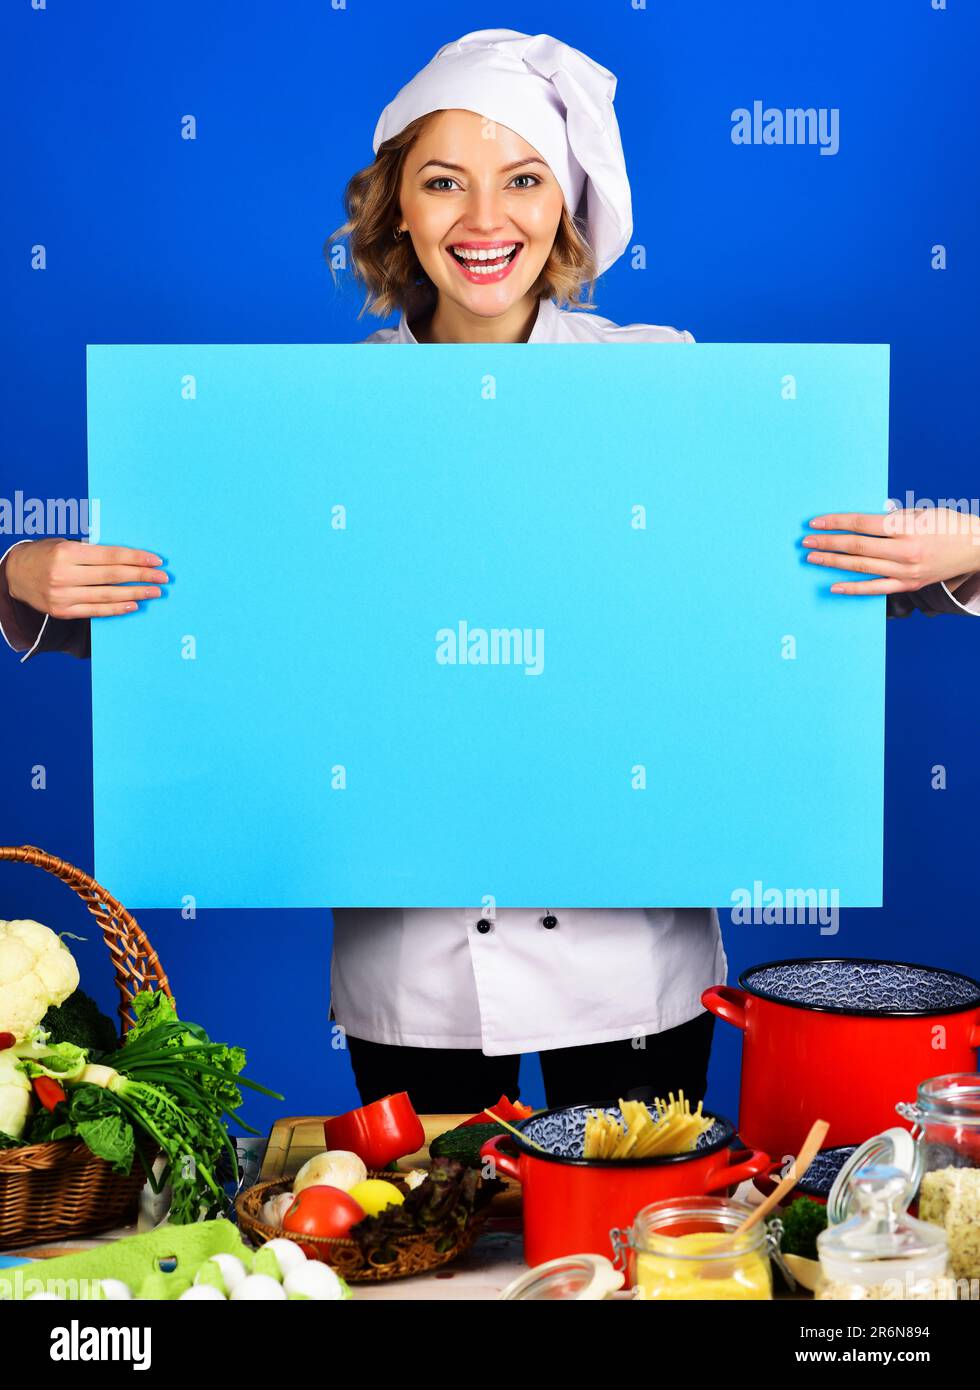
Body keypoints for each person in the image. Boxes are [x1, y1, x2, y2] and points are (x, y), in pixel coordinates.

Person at [2, 30, 979, 1116]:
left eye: (520, 181)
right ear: (394, 211)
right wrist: (28, 571)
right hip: (410, 971)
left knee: (632, 1262)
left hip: (628, 962)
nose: (482, 220)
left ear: (561, 203)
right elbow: (211, 615)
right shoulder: (307, 424)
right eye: (441, 184)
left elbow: (776, 590)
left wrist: (955, 550)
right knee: (425, 1248)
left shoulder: (666, 385)